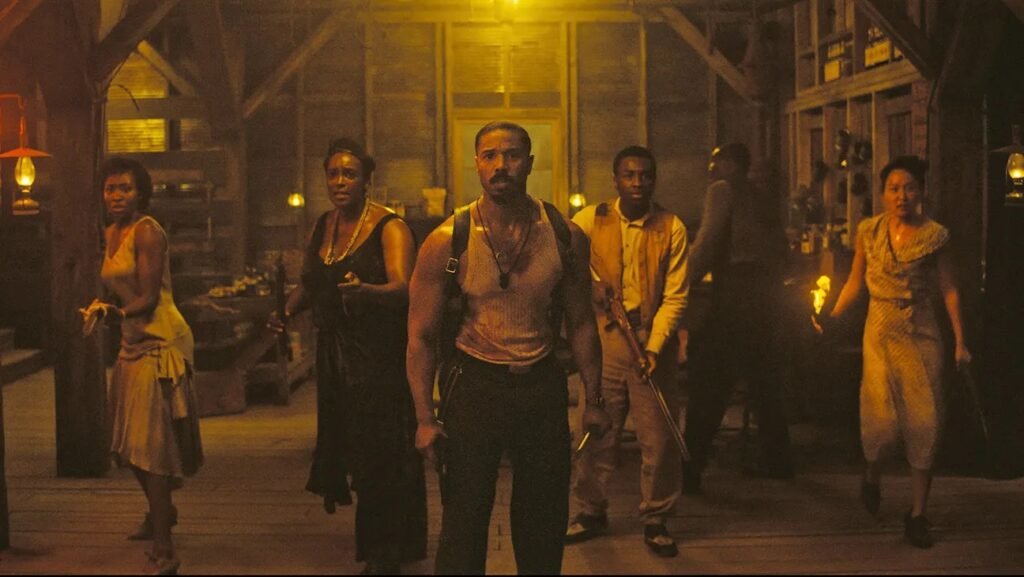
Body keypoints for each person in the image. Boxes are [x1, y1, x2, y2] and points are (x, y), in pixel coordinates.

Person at [407, 121, 611, 575]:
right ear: (477, 164)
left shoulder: (563, 235)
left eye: (512, 155)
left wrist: (594, 401)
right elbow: (420, 336)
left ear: (530, 163)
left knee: (543, 522)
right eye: (490, 156)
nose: (501, 165)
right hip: (473, 386)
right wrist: (424, 418)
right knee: (463, 523)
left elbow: (581, 322)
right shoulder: (447, 240)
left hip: (540, 385)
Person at [271, 138, 426, 574]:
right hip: (335, 355)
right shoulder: (324, 225)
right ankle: (389, 542)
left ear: (366, 180)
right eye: (333, 174)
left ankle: (384, 554)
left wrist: (367, 292)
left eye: (350, 174)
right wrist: (286, 311)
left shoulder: (389, 227)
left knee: (382, 451)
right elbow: (310, 282)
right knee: (353, 448)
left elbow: (405, 289)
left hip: (377, 356)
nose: (340, 181)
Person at [815, 155, 971, 548]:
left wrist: (960, 341)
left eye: (910, 188)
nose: (902, 196)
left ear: (921, 192)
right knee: (880, 422)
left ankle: (918, 514)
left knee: (924, 421)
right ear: (883, 194)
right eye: (894, 189)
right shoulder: (869, 232)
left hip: (921, 334)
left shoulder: (936, 236)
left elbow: (950, 290)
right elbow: (855, 283)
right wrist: (830, 317)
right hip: (880, 332)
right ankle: (872, 473)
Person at [564, 146, 689, 557]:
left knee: (659, 438)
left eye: (645, 175)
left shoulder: (672, 227)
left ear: (654, 179)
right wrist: (591, 287)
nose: (638, 182)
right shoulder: (589, 219)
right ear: (616, 179)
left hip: (651, 340)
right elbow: (565, 266)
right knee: (595, 429)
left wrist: (653, 347)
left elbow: (676, 296)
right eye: (629, 175)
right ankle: (590, 511)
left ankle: (656, 518)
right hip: (603, 341)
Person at [81, 157, 203, 575]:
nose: (116, 196)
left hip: (161, 341)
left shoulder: (148, 231)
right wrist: (101, 307)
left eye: (125, 188)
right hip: (131, 340)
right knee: (126, 442)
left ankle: (166, 550)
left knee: (152, 447)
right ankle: (161, 512)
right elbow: (118, 288)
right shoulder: (110, 231)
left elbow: (149, 298)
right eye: (110, 188)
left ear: (141, 194)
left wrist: (113, 314)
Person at [682, 142, 793, 493]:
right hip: (767, 297)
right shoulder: (760, 197)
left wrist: (678, 282)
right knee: (765, 384)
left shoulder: (722, 190)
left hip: (735, 293)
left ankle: (689, 467)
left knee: (710, 383)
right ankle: (779, 460)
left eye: (717, 162)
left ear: (730, 164)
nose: (712, 169)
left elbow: (707, 243)